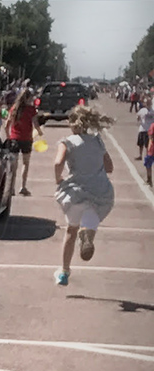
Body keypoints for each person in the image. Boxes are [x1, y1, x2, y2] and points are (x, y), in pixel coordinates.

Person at [52, 106, 116, 287]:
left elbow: (58, 163)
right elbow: (110, 167)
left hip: (76, 191)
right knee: (91, 216)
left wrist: (59, 178)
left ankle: (64, 272)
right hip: (99, 190)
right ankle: (88, 234)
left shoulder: (67, 142)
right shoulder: (97, 141)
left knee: (70, 230)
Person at [4, 89, 42, 197]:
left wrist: (8, 137)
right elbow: (36, 124)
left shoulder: (14, 109)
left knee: (13, 165)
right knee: (25, 163)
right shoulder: (31, 110)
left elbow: (7, 125)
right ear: (28, 98)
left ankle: (11, 188)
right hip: (26, 139)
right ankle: (23, 186)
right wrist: (39, 132)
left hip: (14, 138)